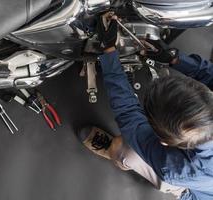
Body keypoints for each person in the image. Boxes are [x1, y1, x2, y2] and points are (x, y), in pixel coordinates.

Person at [76, 15, 213, 200]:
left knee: (124, 150)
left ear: (164, 142)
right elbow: (208, 74)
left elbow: (129, 115)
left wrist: (107, 51)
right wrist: (173, 58)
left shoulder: (179, 171)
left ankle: (116, 154)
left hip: (197, 189)